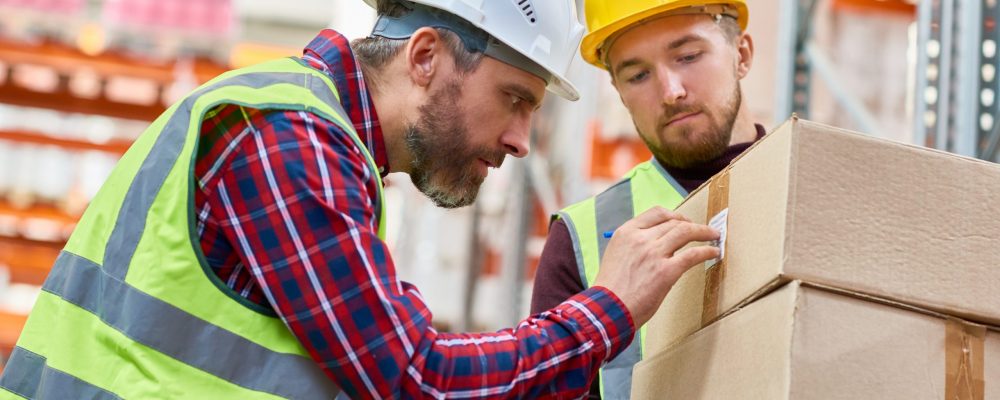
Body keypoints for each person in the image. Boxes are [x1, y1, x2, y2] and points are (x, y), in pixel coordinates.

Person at [0, 0, 721, 398]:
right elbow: (416, 379)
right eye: (513, 100)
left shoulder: (329, 152)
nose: (520, 140)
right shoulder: (286, 136)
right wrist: (607, 312)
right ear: (427, 57)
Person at [530, 1, 767, 399]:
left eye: (688, 56)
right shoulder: (579, 240)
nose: (671, 91)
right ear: (619, 93)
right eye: (638, 75)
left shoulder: (811, 191)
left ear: (741, 55)